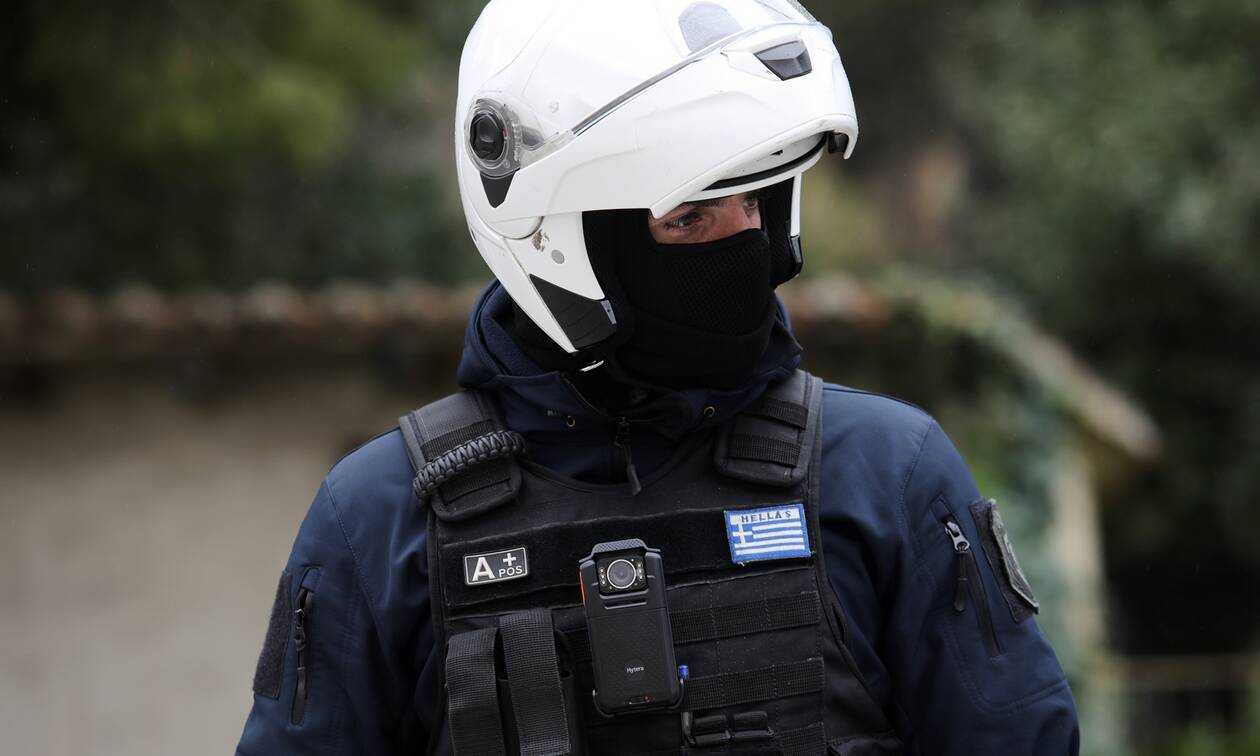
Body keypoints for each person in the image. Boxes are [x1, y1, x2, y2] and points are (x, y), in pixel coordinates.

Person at [235, 1, 1079, 753]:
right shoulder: (378, 518)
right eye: (690, 216)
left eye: (757, 202)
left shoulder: (887, 474)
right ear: (555, 235)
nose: (743, 246)